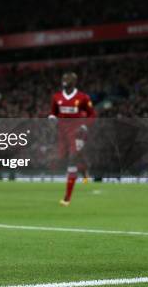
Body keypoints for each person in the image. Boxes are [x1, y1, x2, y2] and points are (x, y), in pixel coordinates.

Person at [49, 72, 96, 206]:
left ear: (74, 82)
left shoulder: (82, 98)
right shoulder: (56, 97)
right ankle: (85, 170)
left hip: (77, 132)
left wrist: (84, 125)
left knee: (72, 159)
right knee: (63, 157)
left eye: (68, 80)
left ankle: (67, 198)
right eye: (63, 79)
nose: (65, 81)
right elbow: (53, 113)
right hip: (62, 132)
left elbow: (92, 115)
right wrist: (52, 120)